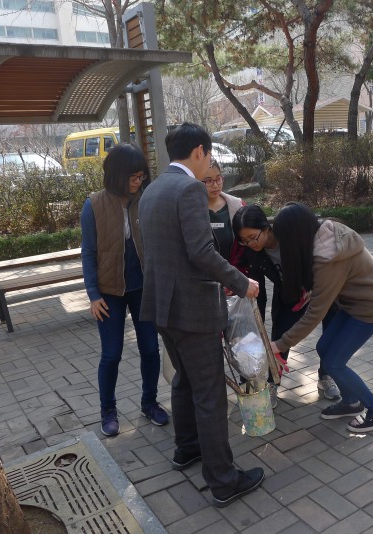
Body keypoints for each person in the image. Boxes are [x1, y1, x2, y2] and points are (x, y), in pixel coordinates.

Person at [138, 123, 265, 508]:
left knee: (184, 382)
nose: (209, 164)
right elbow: (201, 252)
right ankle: (224, 480)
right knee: (209, 394)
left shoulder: (152, 189)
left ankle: (187, 448)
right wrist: (243, 282)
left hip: (161, 306)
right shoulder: (190, 188)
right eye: (208, 156)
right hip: (192, 310)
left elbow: (164, 252)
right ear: (199, 151)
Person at [268, 202, 373, 432]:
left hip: (370, 309)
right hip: (353, 305)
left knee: (334, 363)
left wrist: (279, 344)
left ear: (294, 237)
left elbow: (316, 313)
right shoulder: (322, 234)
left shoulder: (327, 257)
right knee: (324, 348)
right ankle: (350, 403)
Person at [80, 143, 169, 437]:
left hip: (142, 287)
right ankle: (108, 410)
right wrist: (93, 294)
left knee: (151, 349)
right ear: (117, 175)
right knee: (111, 355)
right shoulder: (94, 205)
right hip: (108, 293)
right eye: (134, 176)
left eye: (142, 176)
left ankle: (149, 402)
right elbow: (89, 253)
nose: (138, 181)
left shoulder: (145, 200)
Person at [231, 204, 341, 408]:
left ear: (266, 228)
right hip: (289, 295)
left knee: (331, 336)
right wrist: (257, 327)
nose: (250, 244)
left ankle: (326, 376)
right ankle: (273, 382)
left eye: (253, 237)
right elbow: (258, 294)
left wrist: (312, 289)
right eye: (243, 241)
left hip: (322, 290)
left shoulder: (289, 234)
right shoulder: (253, 253)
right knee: (280, 339)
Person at [204, 161, 244, 262]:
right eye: (208, 181)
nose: (215, 185)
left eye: (218, 179)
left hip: (235, 270)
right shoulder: (192, 209)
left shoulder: (237, 205)